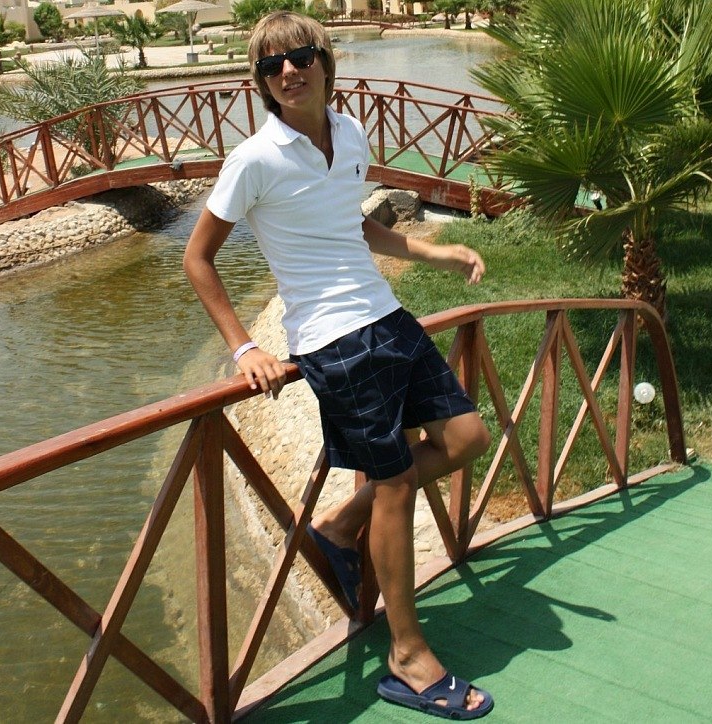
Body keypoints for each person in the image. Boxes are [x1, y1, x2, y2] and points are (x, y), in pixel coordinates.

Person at [183, 11, 494, 719]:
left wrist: (435, 252)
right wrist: (246, 347)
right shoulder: (254, 159)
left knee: (467, 437)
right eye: (271, 65)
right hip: (332, 340)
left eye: (299, 56)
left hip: (386, 316)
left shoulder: (350, 133)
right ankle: (408, 656)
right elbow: (197, 258)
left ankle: (338, 525)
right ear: (261, 81)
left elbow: (352, 224)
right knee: (395, 484)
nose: (288, 72)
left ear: (325, 60)